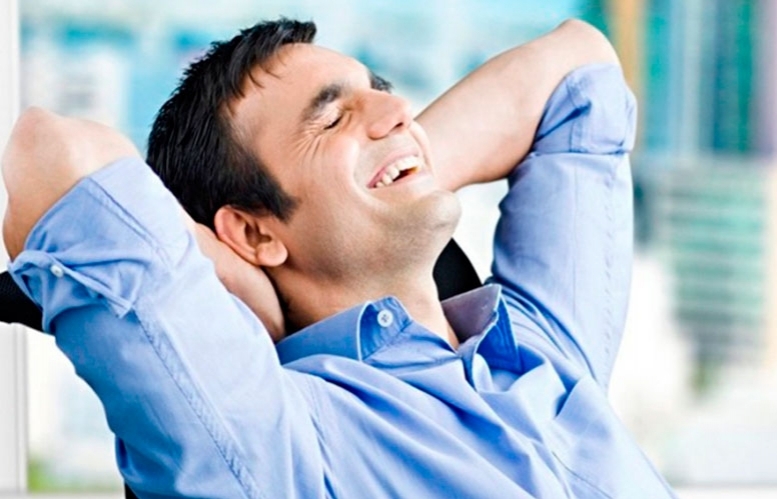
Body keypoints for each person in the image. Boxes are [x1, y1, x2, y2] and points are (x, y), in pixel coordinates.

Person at [2, 17, 676, 498]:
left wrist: (396, 167)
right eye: (330, 118)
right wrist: (241, 278)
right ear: (254, 232)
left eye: (378, 90)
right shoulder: (275, 443)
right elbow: (52, 154)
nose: (397, 108)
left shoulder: (536, 343)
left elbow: (579, 67)